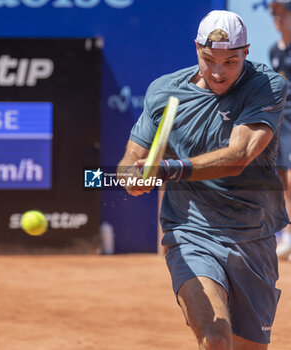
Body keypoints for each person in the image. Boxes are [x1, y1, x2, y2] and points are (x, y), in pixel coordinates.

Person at [117, 10, 289, 349]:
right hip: (190, 231)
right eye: (208, 59)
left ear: (247, 51)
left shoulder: (267, 85)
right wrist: (133, 177)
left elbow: (239, 156)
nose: (217, 71)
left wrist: (166, 170)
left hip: (253, 237)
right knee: (215, 337)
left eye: (230, 61)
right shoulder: (163, 92)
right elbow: (129, 162)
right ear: (196, 48)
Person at [269, 0, 291, 260]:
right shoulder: (274, 49)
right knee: (282, 178)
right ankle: (285, 236)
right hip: (280, 120)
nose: (277, 18)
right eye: (273, 13)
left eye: (282, 13)